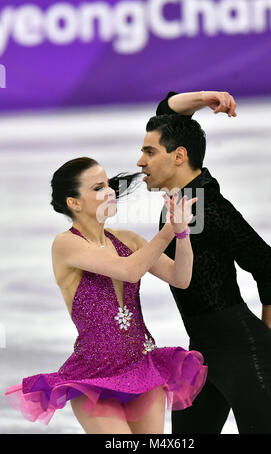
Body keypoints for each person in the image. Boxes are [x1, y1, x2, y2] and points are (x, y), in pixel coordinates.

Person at [4, 157, 208, 434]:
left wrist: (182, 234)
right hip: (93, 377)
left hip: (142, 367)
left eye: (109, 185)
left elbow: (181, 278)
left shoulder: (128, 239)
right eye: (99, 188)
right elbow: (130, 270)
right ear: (74, 203)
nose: (111, 192)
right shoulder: (66, 244)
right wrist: (168, 230)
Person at [135, 90, 271, 434]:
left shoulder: (209, 207)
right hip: (202, 352)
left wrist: (266, 326)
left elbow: (270, 266)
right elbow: (168, 111)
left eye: (149, 152)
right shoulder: (185, 196)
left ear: (179, 156)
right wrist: (207, 97)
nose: (140, 162)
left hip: (241, 350)